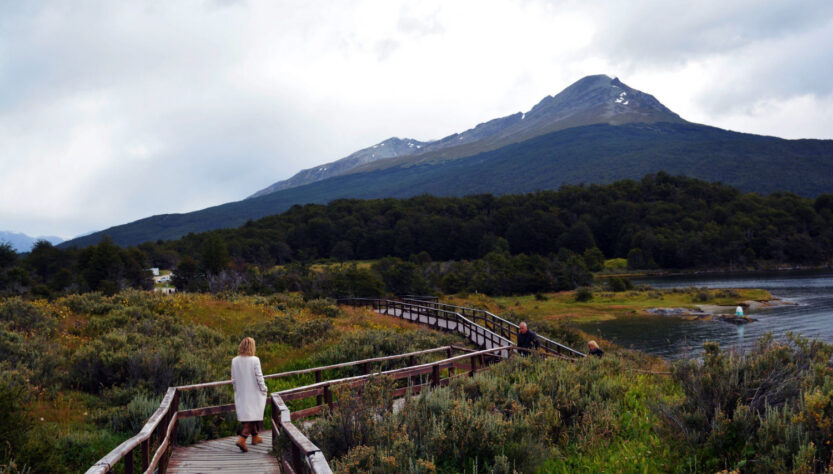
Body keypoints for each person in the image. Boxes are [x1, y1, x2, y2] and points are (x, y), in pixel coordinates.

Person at [232, 337, 268, 452]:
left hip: (241, 392)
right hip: (254, 392)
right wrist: (264, 389)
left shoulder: (234, 360)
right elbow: (259, 377)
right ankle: (242, 439)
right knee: (253, 416)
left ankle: (255, 436)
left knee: (248, 414)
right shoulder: (255, 360)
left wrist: (236, 390)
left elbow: (233, 379)